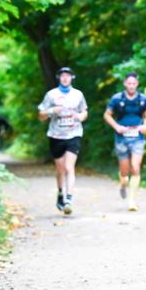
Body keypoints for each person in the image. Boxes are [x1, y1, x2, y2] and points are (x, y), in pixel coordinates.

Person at [37, 67, 88, 215]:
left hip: (74, 134)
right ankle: (60, 193)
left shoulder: (78, 94)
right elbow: (40, 115)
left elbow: (84, 111)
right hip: (56, 135)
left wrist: (81, 116)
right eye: (62, 76)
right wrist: (52, 111)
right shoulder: (51, 95)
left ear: (72, 78)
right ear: (59, 78)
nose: (65, 78)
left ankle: (68, 200)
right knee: (60, 170)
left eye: (68, 76)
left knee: (68, 167)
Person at [104, 72, 146, 211]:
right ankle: (123, 184)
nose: (131, 86)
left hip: (137, 138)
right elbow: (107, 114)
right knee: (125, 172)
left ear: (137, 84)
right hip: (122, 138)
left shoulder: (143, 98)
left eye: (133, 83)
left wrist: (145, 125)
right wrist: (117, 126)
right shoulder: (117, 98)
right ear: (125, 84)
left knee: (135, 167)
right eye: (129, 83)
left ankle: (131, 200)